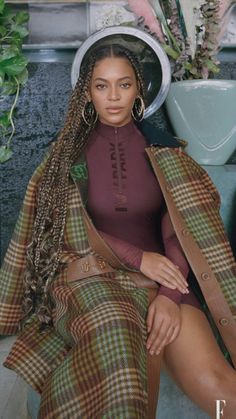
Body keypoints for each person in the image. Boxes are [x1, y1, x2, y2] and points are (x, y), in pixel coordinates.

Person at [0, 32, 236, 419]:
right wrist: (137, 257)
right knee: (115, 335)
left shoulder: (168, 153)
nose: (113, 96)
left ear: (137, 92)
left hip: (165, 280)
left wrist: (169, 295)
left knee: (218, 389)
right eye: (101, 85)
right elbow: (60, 230)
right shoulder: (62, 160)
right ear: (87, 93)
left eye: (123, 85)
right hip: (92, 279)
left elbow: (182, 227)